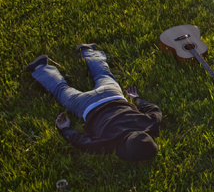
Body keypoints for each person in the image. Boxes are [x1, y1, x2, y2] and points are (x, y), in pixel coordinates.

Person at [25, 44, 161, 161]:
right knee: (61, 89)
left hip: (112, 95)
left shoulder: (149, 125)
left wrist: (137, 99)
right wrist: (65, 129)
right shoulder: (108, 144)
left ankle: (88, 50)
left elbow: (155, 110)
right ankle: (40, 67)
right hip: (86, 106)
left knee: (103, 74)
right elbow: (82, 142)